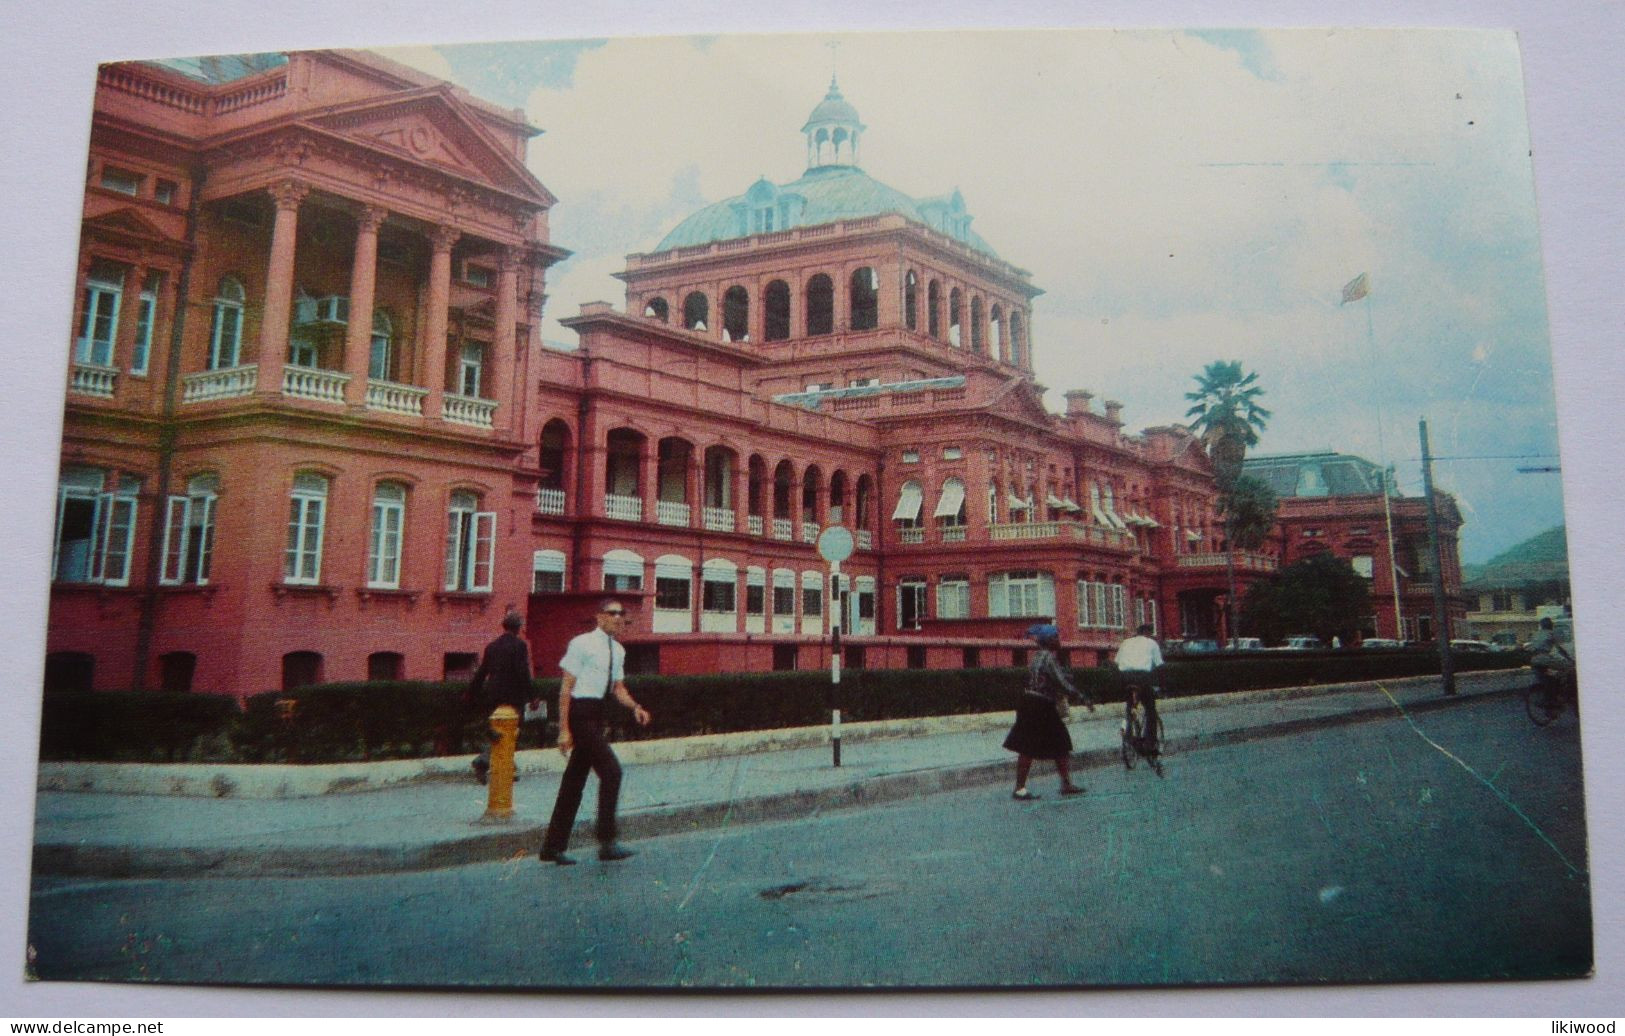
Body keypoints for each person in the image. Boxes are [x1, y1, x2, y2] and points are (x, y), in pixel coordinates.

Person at [538, 600, 652, 865]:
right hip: (580, 713)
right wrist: (564, 730)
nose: (619, 618)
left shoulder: (619, 650)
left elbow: (618, 688)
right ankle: (606, 842)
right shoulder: (581, 644)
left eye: (622, 614)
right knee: (612, 771)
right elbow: (566, 688)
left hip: (597, 713)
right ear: (599, 617)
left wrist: (636, 706)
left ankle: (552, 847)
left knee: (573, 781)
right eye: (613, 613)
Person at [1002, 623, 1094, 800]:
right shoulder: (1048, 658)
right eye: (1056, 637)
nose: (1059, 641)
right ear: (1050, 640)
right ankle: (1023, 787)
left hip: (1031, 702)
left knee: (1051, 743)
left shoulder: (1038, 657)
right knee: (1048, 744)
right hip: (1040, 705)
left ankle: (1061, 784)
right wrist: (1083, 698)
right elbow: (1061, 683)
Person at [467, 609, 541, 785]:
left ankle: (508, 766)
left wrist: (471, 692)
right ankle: (484, 761)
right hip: (513, 696)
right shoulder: (520, 646)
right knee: (510, 732)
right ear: (519, 628)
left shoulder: (492, 646)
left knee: (497, 731)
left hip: (493, 695)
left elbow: (482, 672)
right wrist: (532, 696)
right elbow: (523, 672)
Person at [1114, 623, 1165, 758]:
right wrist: (1161, 685)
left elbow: (1117, 662)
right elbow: (1159, 665)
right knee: (1150, 709)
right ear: (1148, 633)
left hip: (1125, 678)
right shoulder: (1151, 643)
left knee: (1130, 707)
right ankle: (1151, 743)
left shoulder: (1125, 642)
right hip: (1142, 678)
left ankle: (1128, 735)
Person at [1526, 616, 1576, 697]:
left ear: (1541, 625)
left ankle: (1551, 693)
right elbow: (1560, 649)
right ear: (1550, 625)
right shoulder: (1551, 633)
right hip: (1544, 658)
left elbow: (1530, 647)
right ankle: (1561, 688)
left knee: (1548, 677)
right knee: (1569, 667)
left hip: (1534, 659)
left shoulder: (1535, 633)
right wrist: (1569, 659)